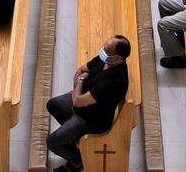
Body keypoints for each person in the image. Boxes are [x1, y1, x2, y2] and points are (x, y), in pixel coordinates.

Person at [46, 35, 131, 172]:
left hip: (91, 119)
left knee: (52, 143)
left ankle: (78, 160)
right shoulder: (105, 60)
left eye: (107, 51)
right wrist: (77, 90)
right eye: (104, 47)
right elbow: (80, 70)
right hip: (83, 102)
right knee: (52, 104)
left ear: (118, 58)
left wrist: (79, 83)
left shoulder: (113, 81)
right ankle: (75, 138)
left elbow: (78, 101)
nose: (102, 51)